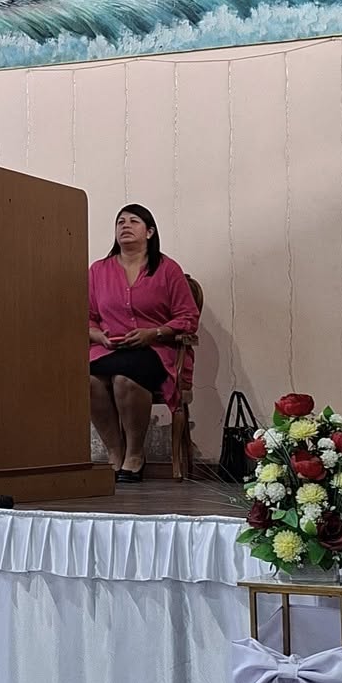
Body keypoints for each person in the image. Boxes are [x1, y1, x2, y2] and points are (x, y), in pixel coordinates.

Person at [88, 204, 199, 483]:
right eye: (120, 222)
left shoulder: (167, 269)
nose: (125, 225)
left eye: (133, 221)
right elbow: (86, 317)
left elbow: (188, 317)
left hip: (155, 350)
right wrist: (99, 336)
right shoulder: (98, 270)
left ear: (149, 232)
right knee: (87, 380)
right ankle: (115, 452)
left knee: (125, 378)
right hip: (110, 348)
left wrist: (154, 333)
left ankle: (135, 454)